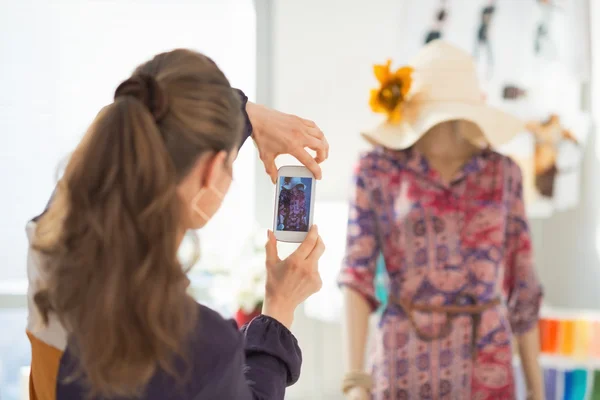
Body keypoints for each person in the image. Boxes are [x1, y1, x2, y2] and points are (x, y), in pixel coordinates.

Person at [26, 49, 327, 400]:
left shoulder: (46, 249)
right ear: (211, 172)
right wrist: (279, 308)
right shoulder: (199, 349)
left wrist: (242, 114)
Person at [339, 40, 544, 399]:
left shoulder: (503, 174)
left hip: (487, 368)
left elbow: (523, 286)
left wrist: (538, 391)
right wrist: (355, 382)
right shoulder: (377, 170)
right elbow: (357, 275)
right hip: (404, 363)